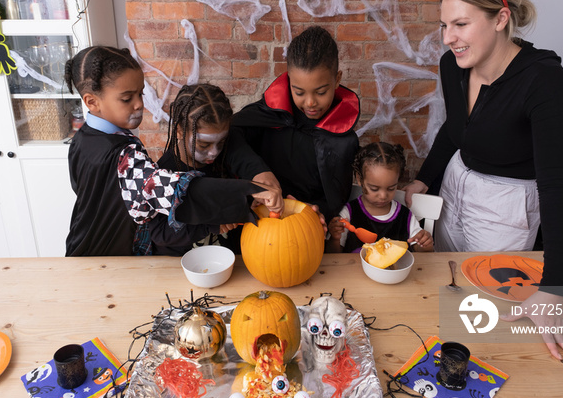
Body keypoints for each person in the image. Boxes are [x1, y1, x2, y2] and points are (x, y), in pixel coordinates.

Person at [403, 0, 563, 361]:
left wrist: (554, 288)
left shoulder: (544, 81)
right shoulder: (453, 65)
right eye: (444, 25)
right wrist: (424, 178)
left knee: (488, 310)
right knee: (447, 284)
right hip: (456, 185)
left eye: (461, 24)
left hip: (507, 206)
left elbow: (556, 187)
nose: (448, 37)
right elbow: (455, 130)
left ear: (501, 18)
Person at [64, 46, 283, 257]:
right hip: (102, 257)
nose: (139, 104)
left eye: (140, 94)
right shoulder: (124, 157)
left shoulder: (82, 138)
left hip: (86, 247)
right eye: (127, 98)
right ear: (92, 102)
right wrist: (246, 192)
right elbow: (174, 190)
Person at [231, 26, 360, 221]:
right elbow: (229, 136)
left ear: (337, 80)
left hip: (305, 226)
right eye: (299, 92)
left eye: (321, 92)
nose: (310, 102)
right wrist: (257, 171)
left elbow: (337, 197)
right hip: (258, 221)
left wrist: (318, 209)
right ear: (289, 80)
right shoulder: (267, 114)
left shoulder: (344, 139)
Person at [152, 83, 242, 256]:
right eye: (204, 144)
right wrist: (209, 224)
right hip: (177, 266)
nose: (214, 152)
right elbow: (159, 233)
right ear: (179, 131)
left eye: (221, 143)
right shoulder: (163, 174)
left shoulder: (223, 161)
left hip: (221, 262)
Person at [327, 142, 433, 253]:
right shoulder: (348, 214)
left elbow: (423, 254)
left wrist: (425, 243)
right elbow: (333, 256)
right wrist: (335, 238)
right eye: (374, 189)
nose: (383, 196)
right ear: (359, 179)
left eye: (391, 188)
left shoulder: (405, 216)